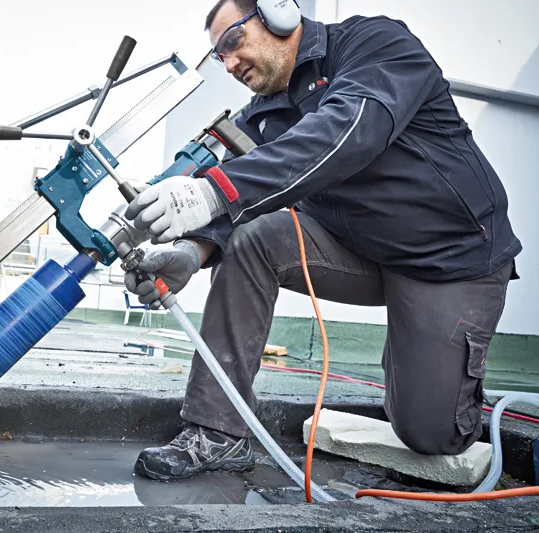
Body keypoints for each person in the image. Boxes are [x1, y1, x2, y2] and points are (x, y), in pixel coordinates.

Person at [123, 0, 521, 481]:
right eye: (218, 57)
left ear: (278, 13)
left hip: (449, 259)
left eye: (232, 42)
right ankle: (217, 433)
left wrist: (213, 192)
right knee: (254, 236)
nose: (228, 64)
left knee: (428, 435)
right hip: (361, 249)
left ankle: (431, 363)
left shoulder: (376, 45)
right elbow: (235, 190)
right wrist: (192, 250)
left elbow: (345, 133)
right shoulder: (264, 115)